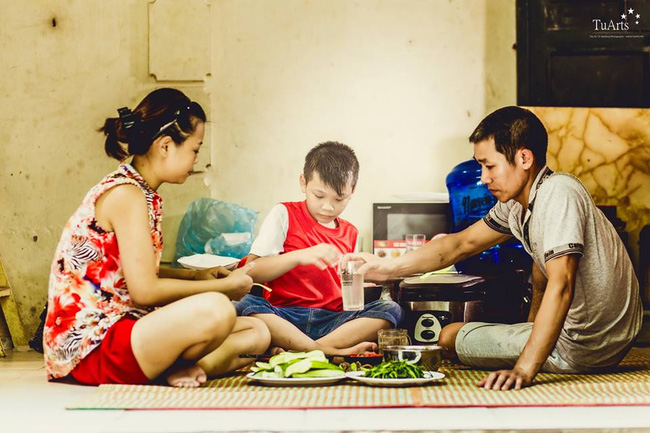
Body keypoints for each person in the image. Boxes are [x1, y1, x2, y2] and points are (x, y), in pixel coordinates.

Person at [345, 106, 643, 390]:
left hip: (585, 344)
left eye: (490, 166)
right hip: (593, 340)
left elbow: (562, 284)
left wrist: (524, 369)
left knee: (448, 336)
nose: (484, 178)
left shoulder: (559, 193)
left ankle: (535, 351)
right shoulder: (518, 204)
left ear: (524, 158)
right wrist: (387, 267)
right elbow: (461, 244)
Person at [43, 88, 270, 388]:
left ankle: (181, 368)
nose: (196, 160)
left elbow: (137, 272)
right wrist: (224, 287)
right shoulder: (126, 194)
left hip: (127, 327)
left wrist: (198, 277)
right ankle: (176, 367)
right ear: (165, 146)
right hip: (94, 346)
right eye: (195, 149)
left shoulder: (141, 191)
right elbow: (145, 291)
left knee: (257, 331)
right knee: (217, 309)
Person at [236, 142, 403, 355]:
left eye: (339, 198)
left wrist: (364, 279)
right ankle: (326, 351)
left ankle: (303, 349)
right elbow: (250, 272)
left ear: (352, 190)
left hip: (331, 320)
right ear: (303, 182)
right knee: (244, 304)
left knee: (390, 309)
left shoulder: (351, 232)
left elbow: (341, 286)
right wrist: (299, 256)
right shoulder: (284, 214)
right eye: (319, 196)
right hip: (284, 316)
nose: (328, 207)